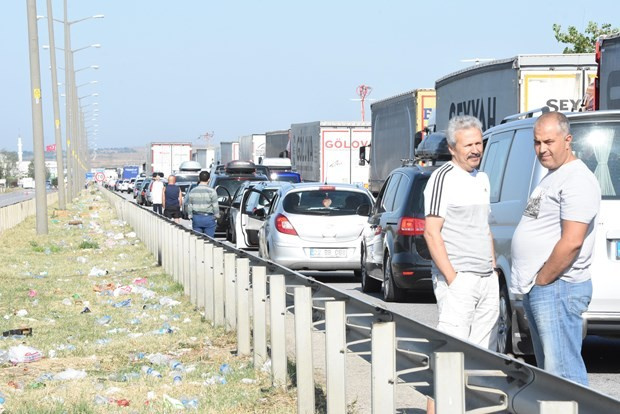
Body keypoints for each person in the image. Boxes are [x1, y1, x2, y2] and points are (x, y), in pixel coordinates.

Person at [511, 111, 600, 386]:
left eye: (549, 141)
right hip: (545, 289)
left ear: (568, 140)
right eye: (537, 142)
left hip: (558, 288)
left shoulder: (577, 179)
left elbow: (572, 241)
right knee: (551, 375)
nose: (542, 149)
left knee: (565, 377)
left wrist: (543, 280)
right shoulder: (553, 176)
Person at [423, 115, 499, 350]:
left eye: (478, 143)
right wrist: (452, 278)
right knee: (454, 349)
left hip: (487, 278)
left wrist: (493, 270)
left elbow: (484, 228)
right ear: (452, 148)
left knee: (485, 350)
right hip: (459, 277)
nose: (475, 150)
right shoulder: (442, 178)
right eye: (468, 145)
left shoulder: (482, 179)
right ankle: (450, 388)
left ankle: (476, 388)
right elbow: (431, 232)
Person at [186, 170, 219, 237]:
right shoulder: (212, 191)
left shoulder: (193, 191)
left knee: (197, 239)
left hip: (196, 217)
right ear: (209, 179)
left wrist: (190, 215)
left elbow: (189, 205)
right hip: (209, 218)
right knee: (209, 240)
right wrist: (216, 216)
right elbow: (215, 205)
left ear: (199, 178)